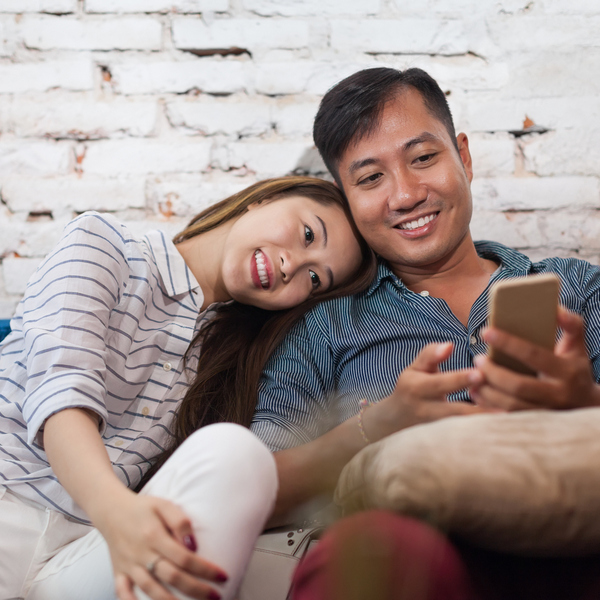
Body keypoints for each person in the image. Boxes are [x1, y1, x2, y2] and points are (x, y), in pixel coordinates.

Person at [248, 68, 600, 599]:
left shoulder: (579, 290)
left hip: (573, 532)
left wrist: (584, 403)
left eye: (423, 158)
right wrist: (377, 426)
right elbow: (251, 489)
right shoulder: (324, 327)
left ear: (464, 156)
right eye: (370, 179)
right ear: (345, 198)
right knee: (375, 549)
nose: (407, 195)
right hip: (415, 557)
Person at [0, 176, 376, 600]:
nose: (293, 266)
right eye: (308, 234)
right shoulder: (103, 245)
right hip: (14, 501)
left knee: (236, 452)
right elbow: (62, 400)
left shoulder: (230, 358)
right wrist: (119, 514)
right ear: (266, 198)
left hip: (85, 552)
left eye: (314, 280)